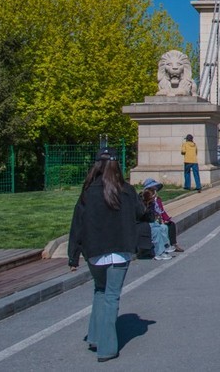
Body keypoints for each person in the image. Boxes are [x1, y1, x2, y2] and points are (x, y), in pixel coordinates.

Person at [67, 146, 145, 362]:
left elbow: (77, 225)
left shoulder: (88, 192)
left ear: (96, 166)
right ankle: (107, 348)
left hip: (95, 252)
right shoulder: (127, 191)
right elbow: (142, 214)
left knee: (99, 290)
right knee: (111, 296)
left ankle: (94, 336)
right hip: (120, 251)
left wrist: (73, 256)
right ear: (116, 166)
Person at [141, 178, 184, 254]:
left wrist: (166, 219)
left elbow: (162, 211)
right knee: (160, 228)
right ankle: (163, 247)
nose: (155, 191)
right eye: (153, 189)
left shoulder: (158, 200)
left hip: (158, 219)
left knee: (171, 224)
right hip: (151, 221)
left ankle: (173, 244)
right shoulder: (145, 200)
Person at [141, 188, 173, 259]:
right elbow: (145, 218)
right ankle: (159, 253)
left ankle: (166, 246)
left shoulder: (152, 204)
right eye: (154, 195)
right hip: (143, 225)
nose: (156, 196)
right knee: (157, 229)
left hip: (150, 223)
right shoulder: (142, 205)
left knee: (163, 227)